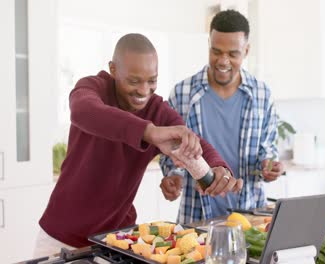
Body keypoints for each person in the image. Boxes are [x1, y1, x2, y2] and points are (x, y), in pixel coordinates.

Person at [35, 33, 242, 256]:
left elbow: (193, 141)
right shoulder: (92, 88)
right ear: (113, 69)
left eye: (152, 80)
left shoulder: (157, 110)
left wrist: (219, 166)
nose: (144, 90)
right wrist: (150, 133)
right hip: (61, 237)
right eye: (134, 81)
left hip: (115, 239)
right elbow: (84, 111)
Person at [159, 10, 284, 224]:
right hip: (196, 216)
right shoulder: (182, 93)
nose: (223, 61)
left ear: (246, 50)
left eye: (233, 54)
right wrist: (174, 176)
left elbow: (268, 150)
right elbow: (170, 150)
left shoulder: (262, 95)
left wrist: (269, 166)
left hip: (250, 216)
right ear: (209, 44)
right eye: (216, 51)